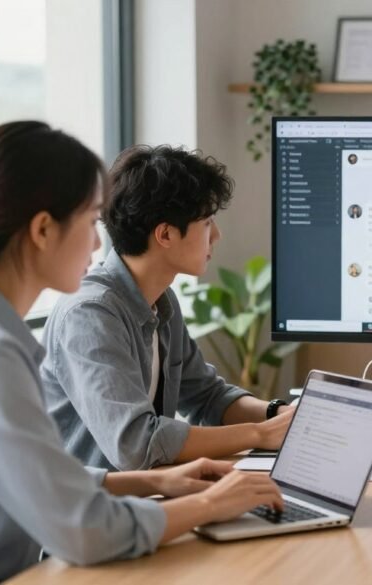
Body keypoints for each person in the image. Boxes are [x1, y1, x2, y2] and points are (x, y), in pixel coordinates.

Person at [0, 122, 284, 582]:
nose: (99, 241)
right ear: (43, 230)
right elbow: (84, 528)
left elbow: (41, 477)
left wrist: (156, 481)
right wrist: (210, 504)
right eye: (89, 221)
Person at [42, 145, 295, 471]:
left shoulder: (161, 301)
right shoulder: (90, 314)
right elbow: (137, 444)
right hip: (97, 502)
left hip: (152, 492)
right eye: (207, 222)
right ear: (165, 234)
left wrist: (282, 415)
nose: (217, 236)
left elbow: (206, 396)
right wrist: (260, 434)